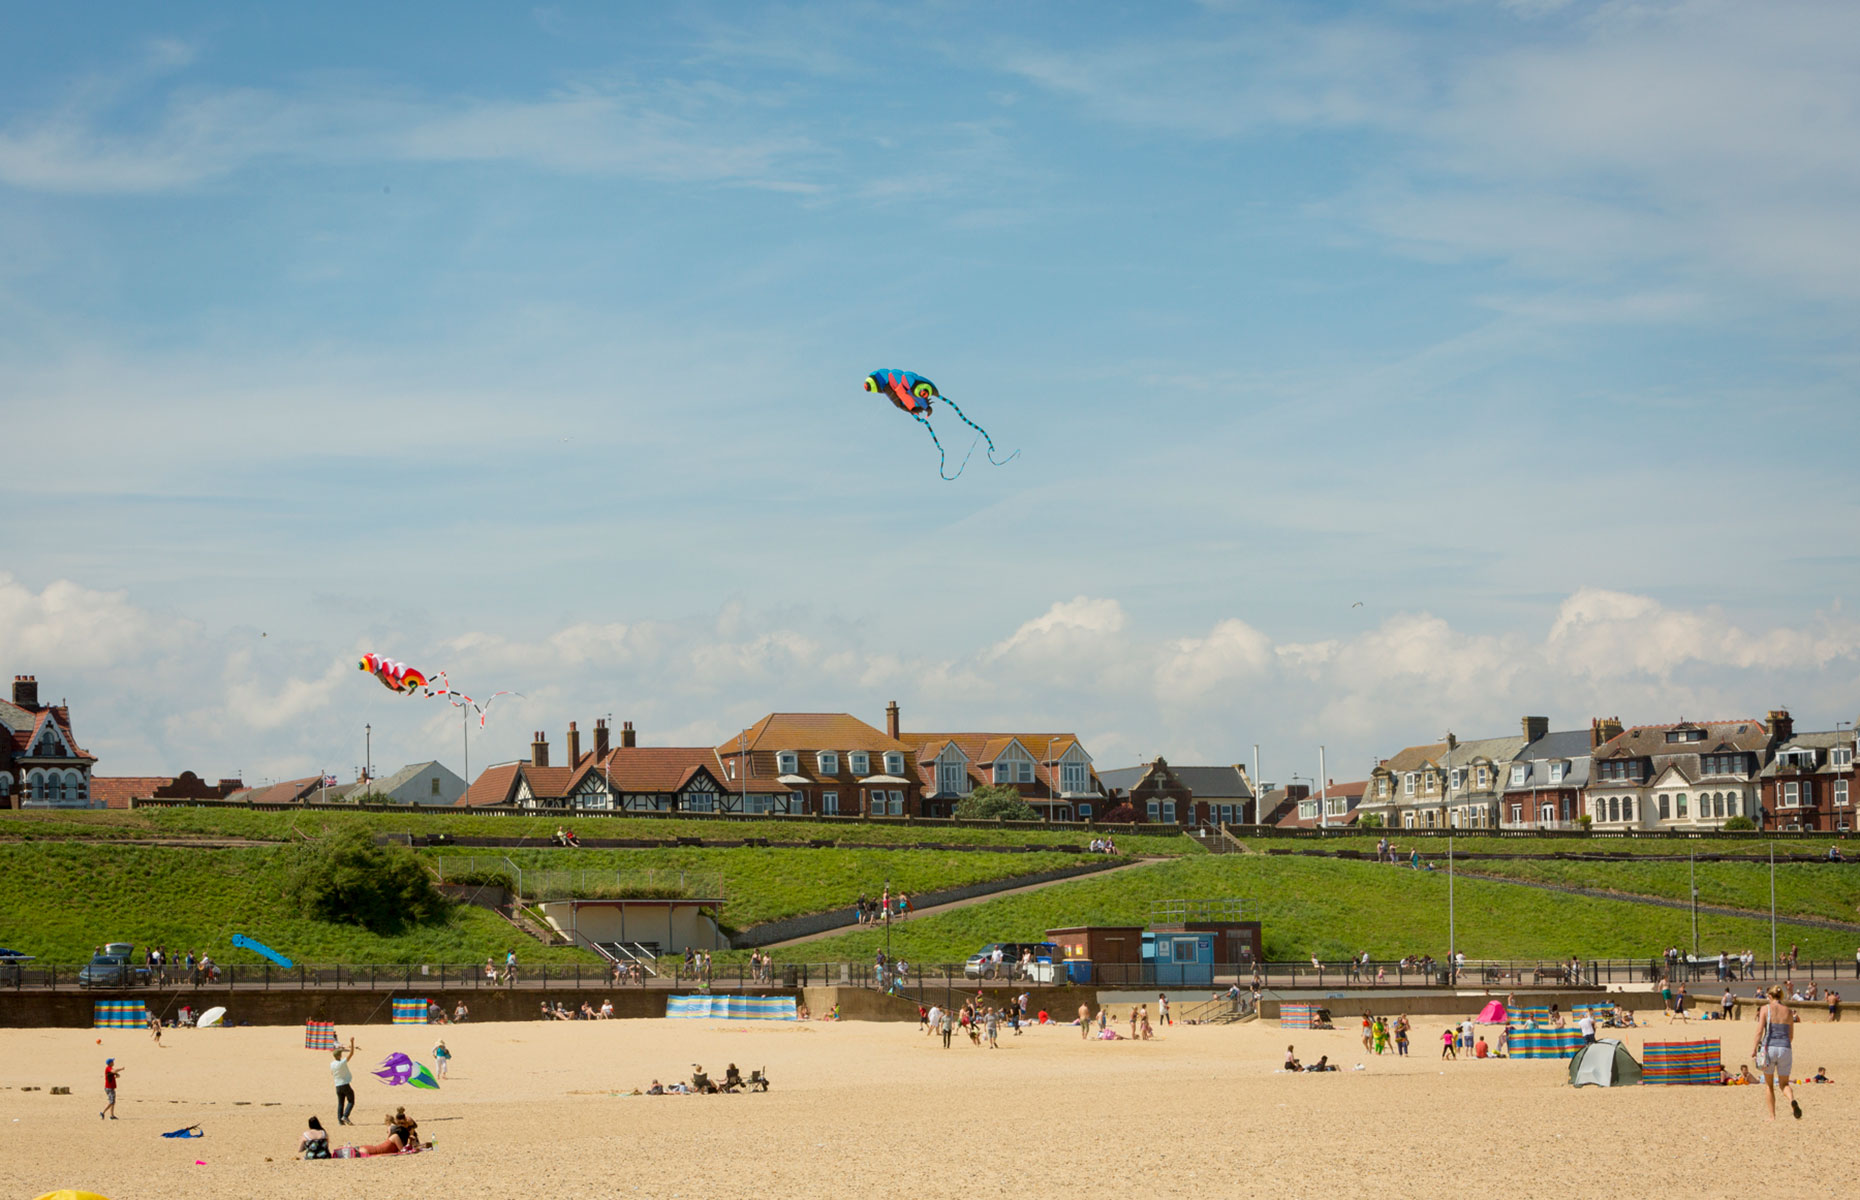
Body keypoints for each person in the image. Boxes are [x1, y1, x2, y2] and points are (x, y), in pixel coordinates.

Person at [1752, 984, 1801, 1121]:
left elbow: (1759, 1031)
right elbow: (1791, 1036)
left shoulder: (1765, 1009)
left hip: (1769, 1048)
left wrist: (1754, 1049)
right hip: (1785, 1048)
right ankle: (1791, 1099)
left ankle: (1772, 1116)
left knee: (1769, 1084)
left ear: (1769, 996)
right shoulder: (1789, 1011)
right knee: (1784, 1084)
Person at [331, 1037, 358, 1125]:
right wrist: (352, 1043)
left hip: (337, 1085)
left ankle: (340, 1121)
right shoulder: (341, 1063)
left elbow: (332, 1073)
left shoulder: (332, 1064)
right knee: (351, 1100)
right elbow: (352, 1054)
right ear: (339, 1056)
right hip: (345, 1084)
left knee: (340, 1103)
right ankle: (345, 1116)